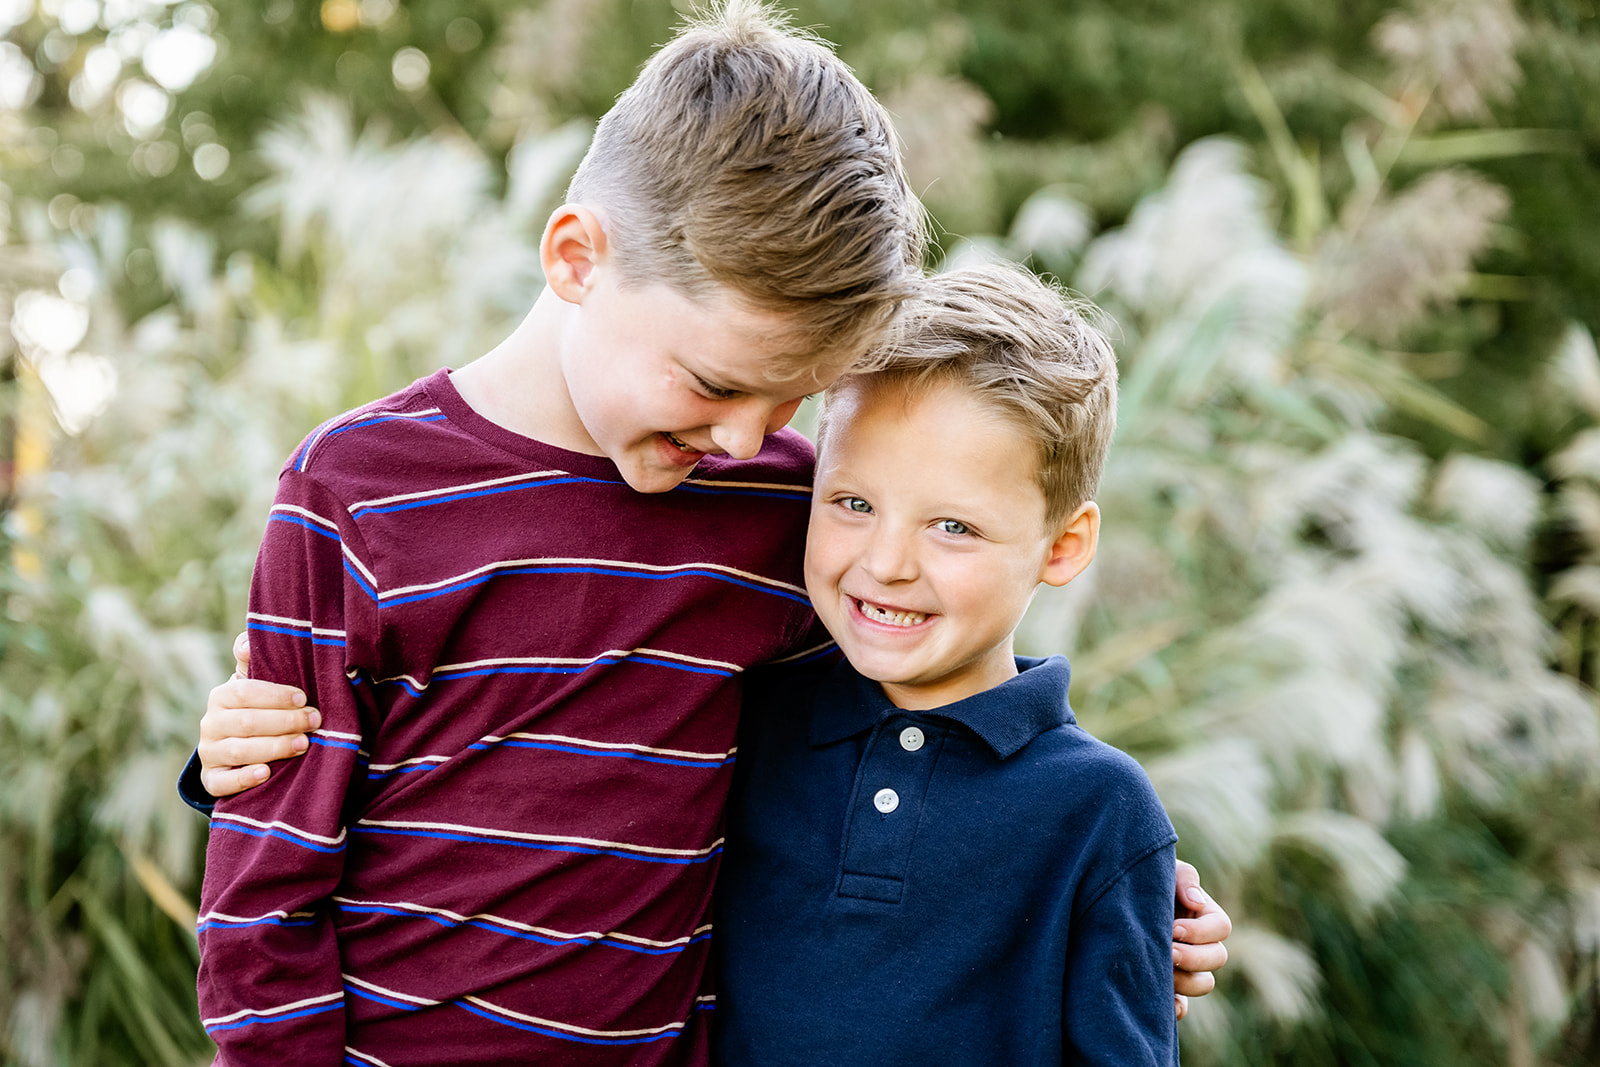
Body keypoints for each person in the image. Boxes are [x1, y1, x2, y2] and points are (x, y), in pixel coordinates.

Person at [188, 7, 1229, 1066]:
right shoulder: (356, 493)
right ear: (576, 257)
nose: (743, 434)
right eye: (717, 382)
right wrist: (231, 755)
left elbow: (915, 693)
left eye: (791, 400)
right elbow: (262, 902)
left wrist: (1116, 888)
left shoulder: (784, 507)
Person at [711, 263, 1175, 1064]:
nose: (886, 563)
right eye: (853, 503)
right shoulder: (738, 719)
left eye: (953, 526)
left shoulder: (1098, 811)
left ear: (1063, 546)